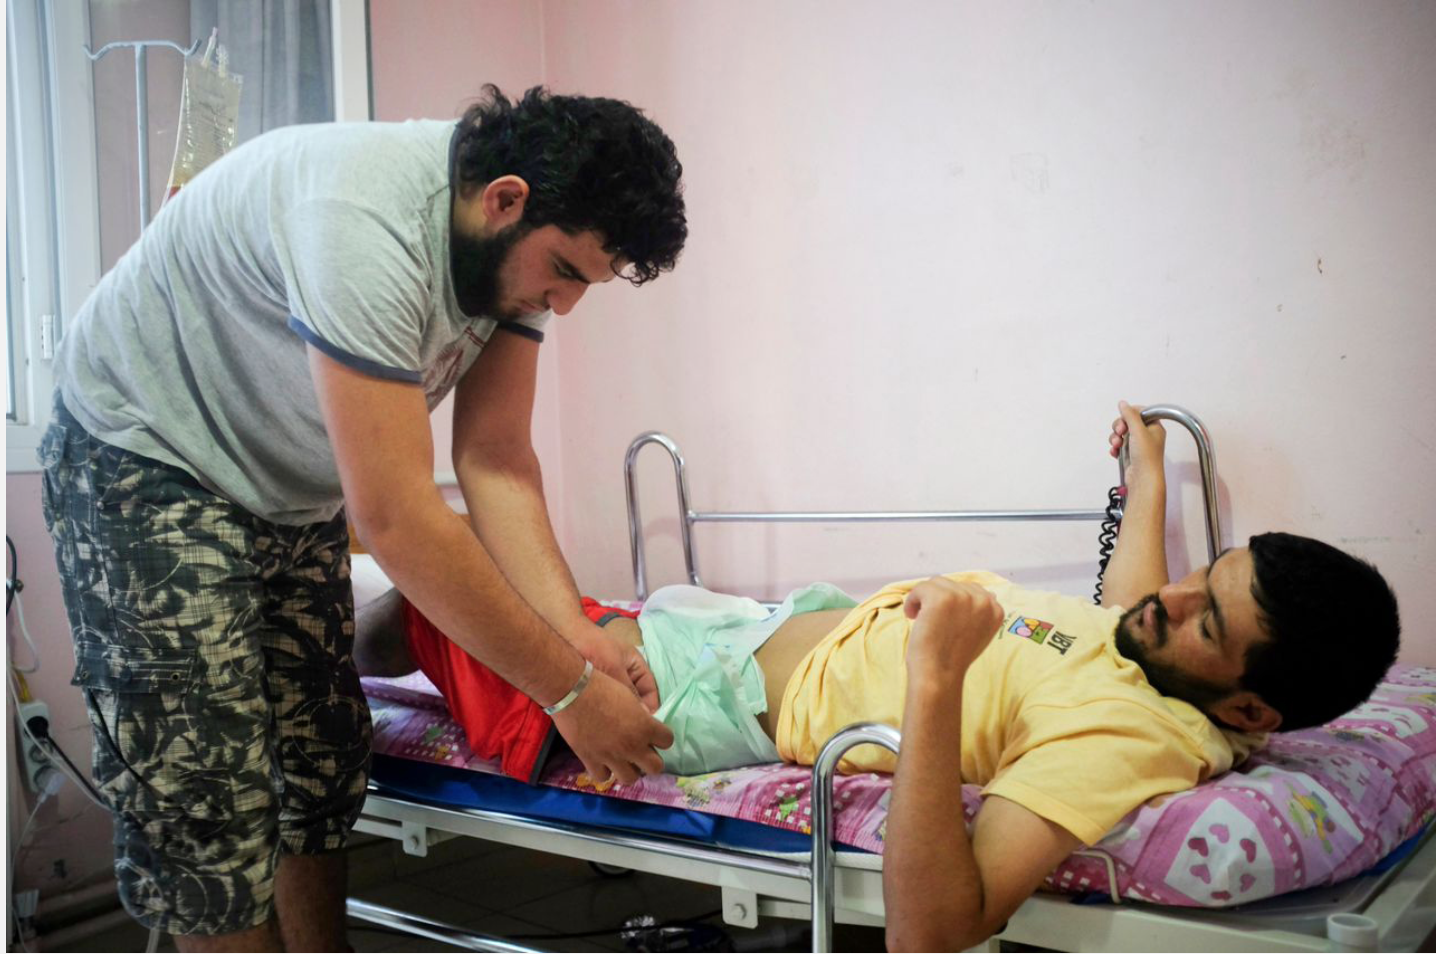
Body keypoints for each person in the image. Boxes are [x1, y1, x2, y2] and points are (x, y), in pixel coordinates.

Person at [355, 402, 1401, 951]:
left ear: (1250, 709)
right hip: (713, 629)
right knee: (460, 579)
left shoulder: (1137, 741)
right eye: (1193, 580)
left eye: (1203, 617)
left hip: (668, 704)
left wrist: (933, 678)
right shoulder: (1145, 649)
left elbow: (932, 932)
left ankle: (322, 663)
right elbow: (1126, 598)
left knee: (432, 562)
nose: (1167, 600)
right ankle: (363, 647)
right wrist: (1149, 467)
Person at [39, 86, 685, 951]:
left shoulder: (510, 257)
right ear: (505, 200)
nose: (563, 304)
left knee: (321, 760)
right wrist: (564, 691)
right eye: (564, 271)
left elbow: (493, 460)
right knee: (206, 795)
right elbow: (400, 521)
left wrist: (575, 634)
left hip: (284, 483)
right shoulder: (363, 219)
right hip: (145, 456)